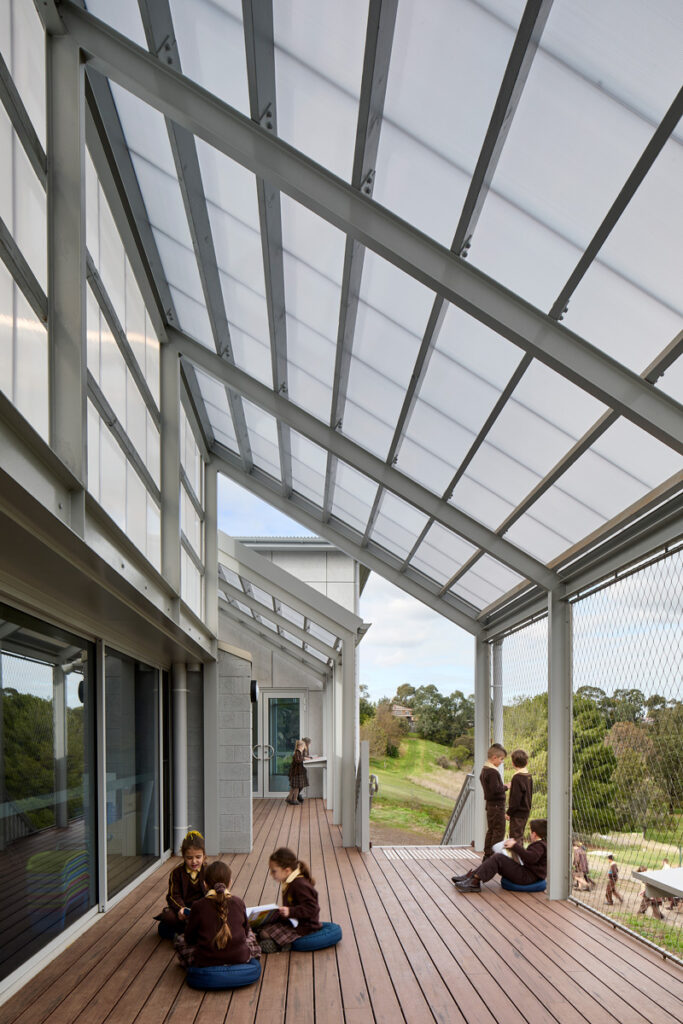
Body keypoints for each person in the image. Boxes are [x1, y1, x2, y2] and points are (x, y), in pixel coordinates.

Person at [175, 860, 261, 973]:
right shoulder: (238, 902)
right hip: (239, 957)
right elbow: (245, 933)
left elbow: (190, 938)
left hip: (205, 961)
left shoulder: (198, 906)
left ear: (205, 884)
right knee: (251, 935)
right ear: (230, 882)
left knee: (180, 940)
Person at [452, 818, 547, 893]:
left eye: (530, 832)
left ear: (534, 834)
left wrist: (515, 846)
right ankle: (471, 877)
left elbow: (530, 858)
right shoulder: (542, 845)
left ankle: (474, 882)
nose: (530, 834)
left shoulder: (540, 846)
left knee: (498, 858)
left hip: (528, 877)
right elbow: (529, 858)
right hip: (528, 874)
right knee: (499, 857)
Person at [256, 846, 322, 953]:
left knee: (265, 934)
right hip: (293, 920)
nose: (271, 874)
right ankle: (278, 942)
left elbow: (313, 908)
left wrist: (290, 911)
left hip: (305, 927)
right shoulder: (288, 881)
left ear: (287, 870)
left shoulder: (299, 884)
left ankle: (281, 945)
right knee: (262, 929)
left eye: (274, 871)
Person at [155, 829, 208, 939]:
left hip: (202, 910)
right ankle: (183, 934)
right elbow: (173, 896)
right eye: (189, 858)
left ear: (204, 856)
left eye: (198, 857)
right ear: (183, 856)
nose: (194, 861)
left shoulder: (208, 871)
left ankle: (187, 933)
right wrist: (181, 909)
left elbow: (214, 891)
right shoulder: (176, 873)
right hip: (183, 912)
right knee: (167, 919)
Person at [479, 743, 508, 860]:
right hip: (497, 807)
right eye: (501, 759)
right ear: (494, 757)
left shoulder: (484, 770)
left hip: (491, 806)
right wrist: (506, 786)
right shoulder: (492, 772)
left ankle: (487, 855)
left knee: (491, 830)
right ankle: (493, 857)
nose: (501, 762)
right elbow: (496, 790)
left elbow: (492, 788)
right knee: (499, 831)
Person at [506, 748, 532, 841]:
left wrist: (509, 812)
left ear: (513, 763)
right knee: (519, 836)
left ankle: (516, 856)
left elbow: (515, 799)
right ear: (526, 763)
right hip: (525, 811)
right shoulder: (528, 776)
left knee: (515, 839)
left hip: (517, 813)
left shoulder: (517, 778)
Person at [286, 740, 309, 805]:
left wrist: (304, 757)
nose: (304, 747)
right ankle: (294, 799)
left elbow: (299, 759)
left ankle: (289, 798)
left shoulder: (299, 752)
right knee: (297, 786)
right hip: (296, 772)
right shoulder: (297, 752)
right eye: (304, 746)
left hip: (296, 772)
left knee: (294, 786)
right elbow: (298, 760)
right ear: (301, 746)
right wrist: (304, 759)